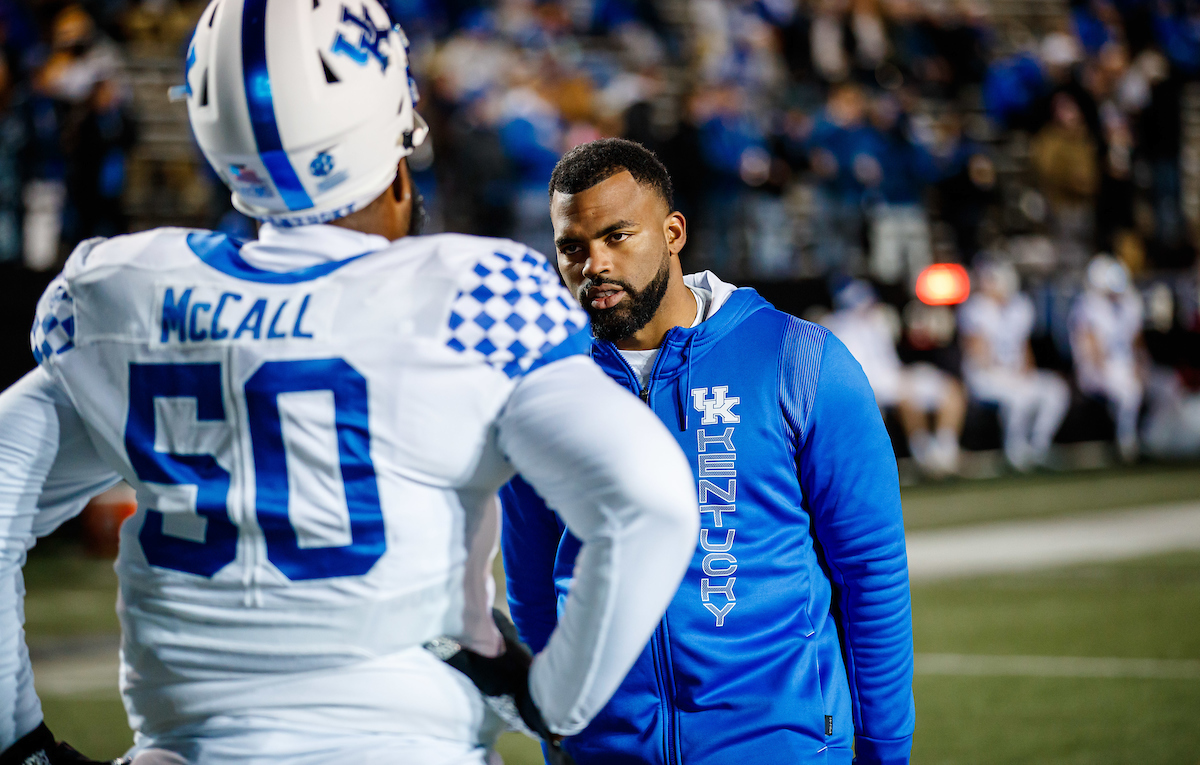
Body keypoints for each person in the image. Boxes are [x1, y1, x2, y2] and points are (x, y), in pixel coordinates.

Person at [0, 3, 700, 764]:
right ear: (394, 119)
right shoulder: (470, 295)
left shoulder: (127, 293)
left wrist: (19, 744)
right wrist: (552, 699)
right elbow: (650, 500)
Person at [501, 138, 915, 764]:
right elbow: (533, 587)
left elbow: (872, 571)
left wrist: (885, 749)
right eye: (573, 248)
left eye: (618, 236)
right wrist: (555, 728)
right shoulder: (542, 389)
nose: (595, 265)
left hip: (781, 746)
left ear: (673, 232)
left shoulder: (796, 359)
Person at [822, 279, 965, 477]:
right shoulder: (836, 326)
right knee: (906, 395)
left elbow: (893, 361)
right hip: (869, 385)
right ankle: (924, 454)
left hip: (893, 376)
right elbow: (850, 371)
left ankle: (945, 451)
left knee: (950, 388)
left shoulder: (879, 320)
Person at [959, 260, 1070, 470]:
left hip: (1012, 374)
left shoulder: (1020, 306)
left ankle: (1039, 446)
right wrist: (1006, 372)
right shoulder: (975, 308)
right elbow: (978, 354)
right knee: (1019, 397)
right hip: (985, 375)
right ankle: (1015, 451)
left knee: (1056, 390)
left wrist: (1025, 370)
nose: (987, 285)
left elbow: (1023, 346)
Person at [1070, 254, 1146, 461]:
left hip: (1123, 365)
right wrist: (1113, 371)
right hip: (1098, 368)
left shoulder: (1130, 302)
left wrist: (1139, 366)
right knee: (1128, 391)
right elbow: (1093, 351)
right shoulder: (1088, 305)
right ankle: (1127, 443)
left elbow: (1136, 343)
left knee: (1162, 385)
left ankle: (1151, 440)